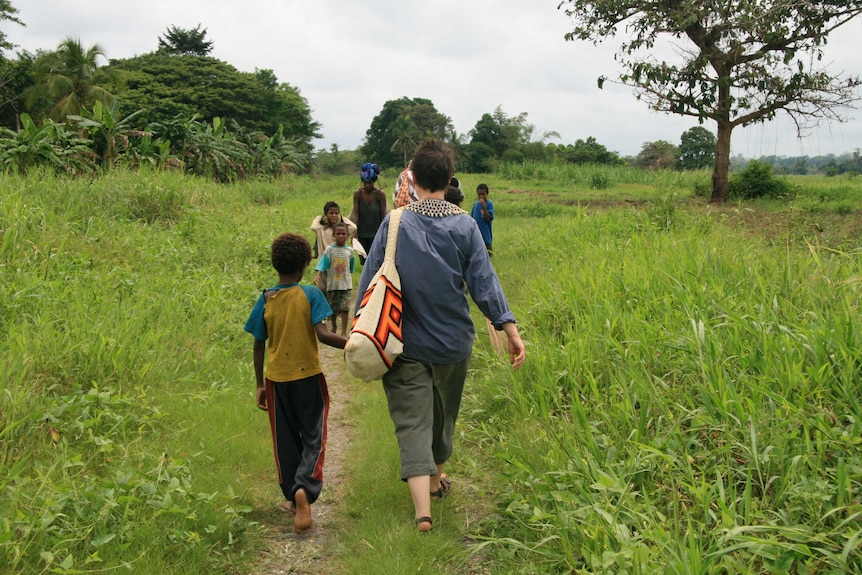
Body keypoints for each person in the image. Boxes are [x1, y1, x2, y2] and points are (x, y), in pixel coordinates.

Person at [355, 138, 525, 533]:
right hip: (452, 344)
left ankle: (422, 512)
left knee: (411, 421)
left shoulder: (394, 222)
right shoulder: (465, 226)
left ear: (411, 178)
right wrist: (509, 329)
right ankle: (436, 481)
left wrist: (358, 328)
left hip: (402, 343)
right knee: (443, 416)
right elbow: (485, 283)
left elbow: (371, 279)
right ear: (449, 179)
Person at [244, 232, 347, 534]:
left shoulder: (266, 298)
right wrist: (354, 343)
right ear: (305, 264)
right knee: (314, 436)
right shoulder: (311, 294)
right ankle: (304, 489)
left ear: (275, 265)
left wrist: (260, 384)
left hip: (276, 379)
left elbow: (258, 344)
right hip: (308, 378)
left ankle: (292, 495)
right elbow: (324, 335)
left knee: (286, 443)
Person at [314, 222, 355, 337]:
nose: (341, 236)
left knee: (345, 308)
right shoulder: (329, 250)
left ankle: (343, 331)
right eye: (338, 234)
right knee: (333, 308)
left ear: (347, 235)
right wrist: (318, 274)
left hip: (346, 285)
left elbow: (351, 267)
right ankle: (334, 327)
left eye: (343, 234)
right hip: (332, 284)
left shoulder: (350, 251)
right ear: (334, 235)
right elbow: (323, 264)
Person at [350, 162, 388, 262]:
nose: (367, 185)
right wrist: (354, 232)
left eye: (370, 183)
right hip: (362, 233)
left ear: (374, 181)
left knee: (376, 260)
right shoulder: (357, 194)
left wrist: (385, 231)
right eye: (365, 183)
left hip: (376, 232)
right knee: (365, 260)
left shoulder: (380, 194)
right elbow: (356, 213)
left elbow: (383, 214)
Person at [470, 183, 494, 254]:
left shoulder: (489, 204)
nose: (481, 197)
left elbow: (488, 219)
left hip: (485, 235)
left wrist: (484, 207)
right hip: (476, 234)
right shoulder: (475, 204)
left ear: (487, 194)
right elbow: (472, 219)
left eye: (483, 194)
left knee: (488, 253)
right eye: (479, 195)